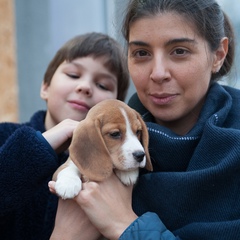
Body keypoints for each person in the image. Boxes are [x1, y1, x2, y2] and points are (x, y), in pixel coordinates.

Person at [49, 0, 240, 239]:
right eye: (141, 53)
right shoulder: (100, 140)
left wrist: (123, 225)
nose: (158, 73)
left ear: (218, 55)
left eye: (179, 51)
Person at [0, 32, 129, 240]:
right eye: (73, 75)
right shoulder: (5, 136)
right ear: (45, 87)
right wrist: (41, 145)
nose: (85, 87)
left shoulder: (118, 167)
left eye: (103, 85)